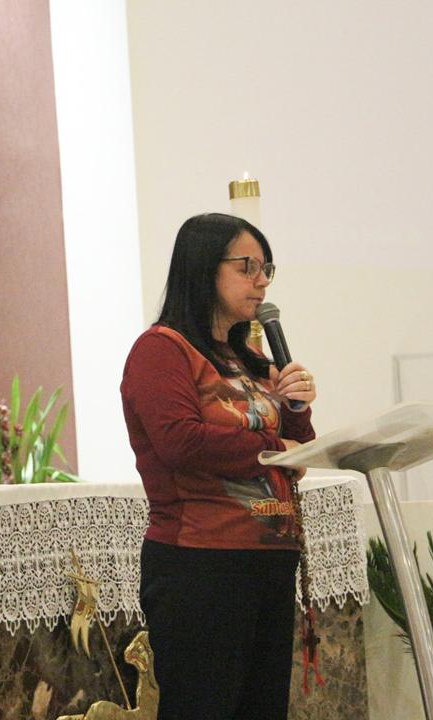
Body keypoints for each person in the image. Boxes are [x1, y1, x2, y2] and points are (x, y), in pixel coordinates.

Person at [120, 212, 317, 720]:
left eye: (266, 268)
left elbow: (297, 451)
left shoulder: (250, 359)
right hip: (201, 564)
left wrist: (296, 405)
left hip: (268, 563)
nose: (262, 280)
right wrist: (273, 445)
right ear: (203, 267)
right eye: (247, 266)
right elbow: (180, 442)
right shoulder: (161, 350)